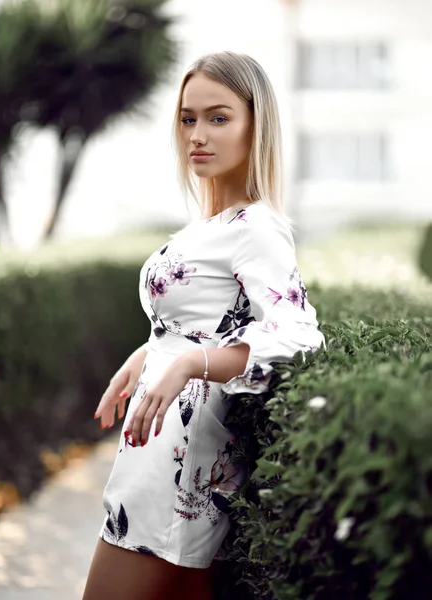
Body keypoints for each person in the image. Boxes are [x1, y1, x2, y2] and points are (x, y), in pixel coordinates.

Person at [82, 51, 326, 600]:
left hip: (184, 465)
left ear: (254, 126)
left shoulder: (256, 228)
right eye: (188, 118)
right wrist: (150, 355)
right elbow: (204, 321)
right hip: (157, 452)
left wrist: (193, 363)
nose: (198, 134)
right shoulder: (207, 227)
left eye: (218, 118)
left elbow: (299, 337)